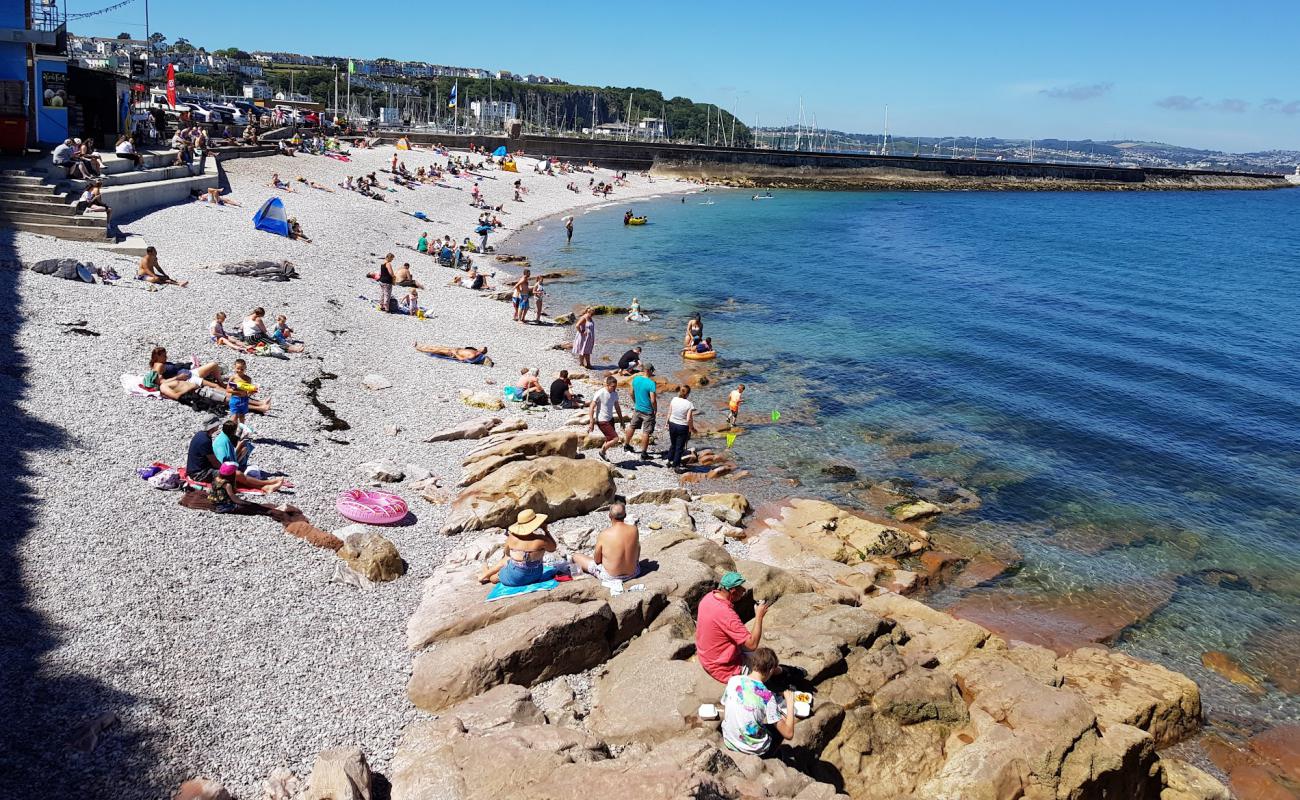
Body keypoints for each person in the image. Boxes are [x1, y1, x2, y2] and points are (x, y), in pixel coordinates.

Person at [720, 647, 796, 756]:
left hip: (729, 740)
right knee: (778, 732)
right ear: (770, 670)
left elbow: (726, 704)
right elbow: (789, 734)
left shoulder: (734, 680)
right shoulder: (768, 697)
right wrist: (790, 703)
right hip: (752, 749)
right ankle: (771, 756)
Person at [696, 571, 770, 683]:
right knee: (767, 665)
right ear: (733, 591)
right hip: (723, 668)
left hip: (707, 656)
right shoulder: (727, 614)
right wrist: (759, 616)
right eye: (741, 588)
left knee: (761, 657)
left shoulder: (708, 598)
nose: (744, 590)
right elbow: (752, 644)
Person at [478, 509, 557, 586]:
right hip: (536, 575)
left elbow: (507, 554)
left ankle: (485, 574)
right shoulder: (541, 540)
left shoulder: (512, 538)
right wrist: (546, 531)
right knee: (508, 561)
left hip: (517, 577)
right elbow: (553, 548)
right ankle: (485, 573)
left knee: (493, 578)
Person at [571, 502, 641, 581]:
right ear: (625, 515)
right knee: (637, 545)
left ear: (609, 516)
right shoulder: (634, 529)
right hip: (634, 573)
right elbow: (637, 548)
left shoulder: (604, 534)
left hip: (610, 577)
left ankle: (577, 578)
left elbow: (597, 560)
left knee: (575, 557)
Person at [588, 375, 626, 462]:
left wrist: (621, 420)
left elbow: (617, 407)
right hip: (602, 420)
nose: (614, 388)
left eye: (616, 386)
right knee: (615, 439)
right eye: (613, 386)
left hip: (610, 419)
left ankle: (602, 454)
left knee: (609, 439)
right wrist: (591, 422)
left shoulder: (615, 393)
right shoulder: (600, 393)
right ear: (607, 385)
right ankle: (602, 451)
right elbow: (591, 407)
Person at [624, 364, 658, 460]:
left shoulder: (636, 379)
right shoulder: (651, 383)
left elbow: (631, 392)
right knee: (646, 432)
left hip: (638, 408)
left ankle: (626, 445)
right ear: (650, 371)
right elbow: (653, 400)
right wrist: (655, 409)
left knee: (632, 426)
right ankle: (643, 454)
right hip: (648, 411)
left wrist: (635, 402)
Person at [225, 358, 268, 424]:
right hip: (235, 399)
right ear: (234, 367)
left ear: (245, 368)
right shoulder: (233, 378)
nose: (239, 370)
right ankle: (232, 431)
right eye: (237, 369)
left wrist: (252, 391)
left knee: (242, 416)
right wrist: (238, 392)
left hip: (244, 400)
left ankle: (241, 431)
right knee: (234, 417)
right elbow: (228, 390)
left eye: (242, 369)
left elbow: (248, 392)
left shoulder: (248, 379)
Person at [666, 384, 697, 471]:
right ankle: (676, 465)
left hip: (672, 424)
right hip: (682, 427)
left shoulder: (674, 399)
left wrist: (666, 422)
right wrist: (692, 428)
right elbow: (688, 419)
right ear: (687, 394)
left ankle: (669, 460)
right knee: (679, 447)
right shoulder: (689, 404)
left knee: (673, 444)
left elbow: (669, 412)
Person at [412, 342, 492, 365]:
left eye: (483, 348)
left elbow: (462, 359)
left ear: (482, 352)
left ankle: (418, 348)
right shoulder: (475, 350)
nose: (482, 347)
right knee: (437, 347)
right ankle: (421, 346)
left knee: (435, 350)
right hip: (454, 350)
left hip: (452, 353)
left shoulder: (474, 355)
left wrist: (455, 353)